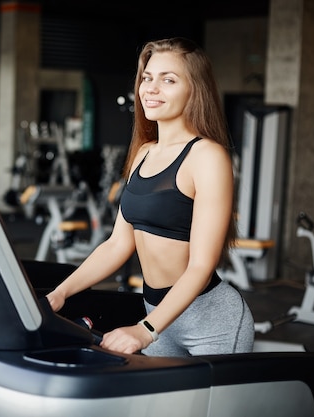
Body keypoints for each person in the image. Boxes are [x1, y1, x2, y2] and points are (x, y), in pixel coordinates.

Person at [45, 37, 254, 357]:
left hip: (210, 321)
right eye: (147, 78)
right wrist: (61, 293)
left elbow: (200, 265)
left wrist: (146, 329)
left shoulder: (207, 156)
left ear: (194, 89)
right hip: (157, 316)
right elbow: (117, 244)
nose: (151, 88)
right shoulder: (143, 153)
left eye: (168, 80)